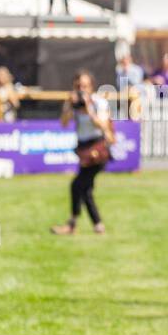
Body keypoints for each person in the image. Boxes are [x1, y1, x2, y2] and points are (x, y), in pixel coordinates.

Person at [52, 72, 114, 235]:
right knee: (85, 189)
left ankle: (72, 224)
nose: (81, 89)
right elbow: (64, 124)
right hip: (83, 149)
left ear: (91, 87)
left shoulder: (98, 102)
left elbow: (102, 125)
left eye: (84, 86)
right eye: (78, 86)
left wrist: (89, 110)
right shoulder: (74, 103)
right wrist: (68, 106)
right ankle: (97, 225)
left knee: (77, 185)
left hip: (97, 149)